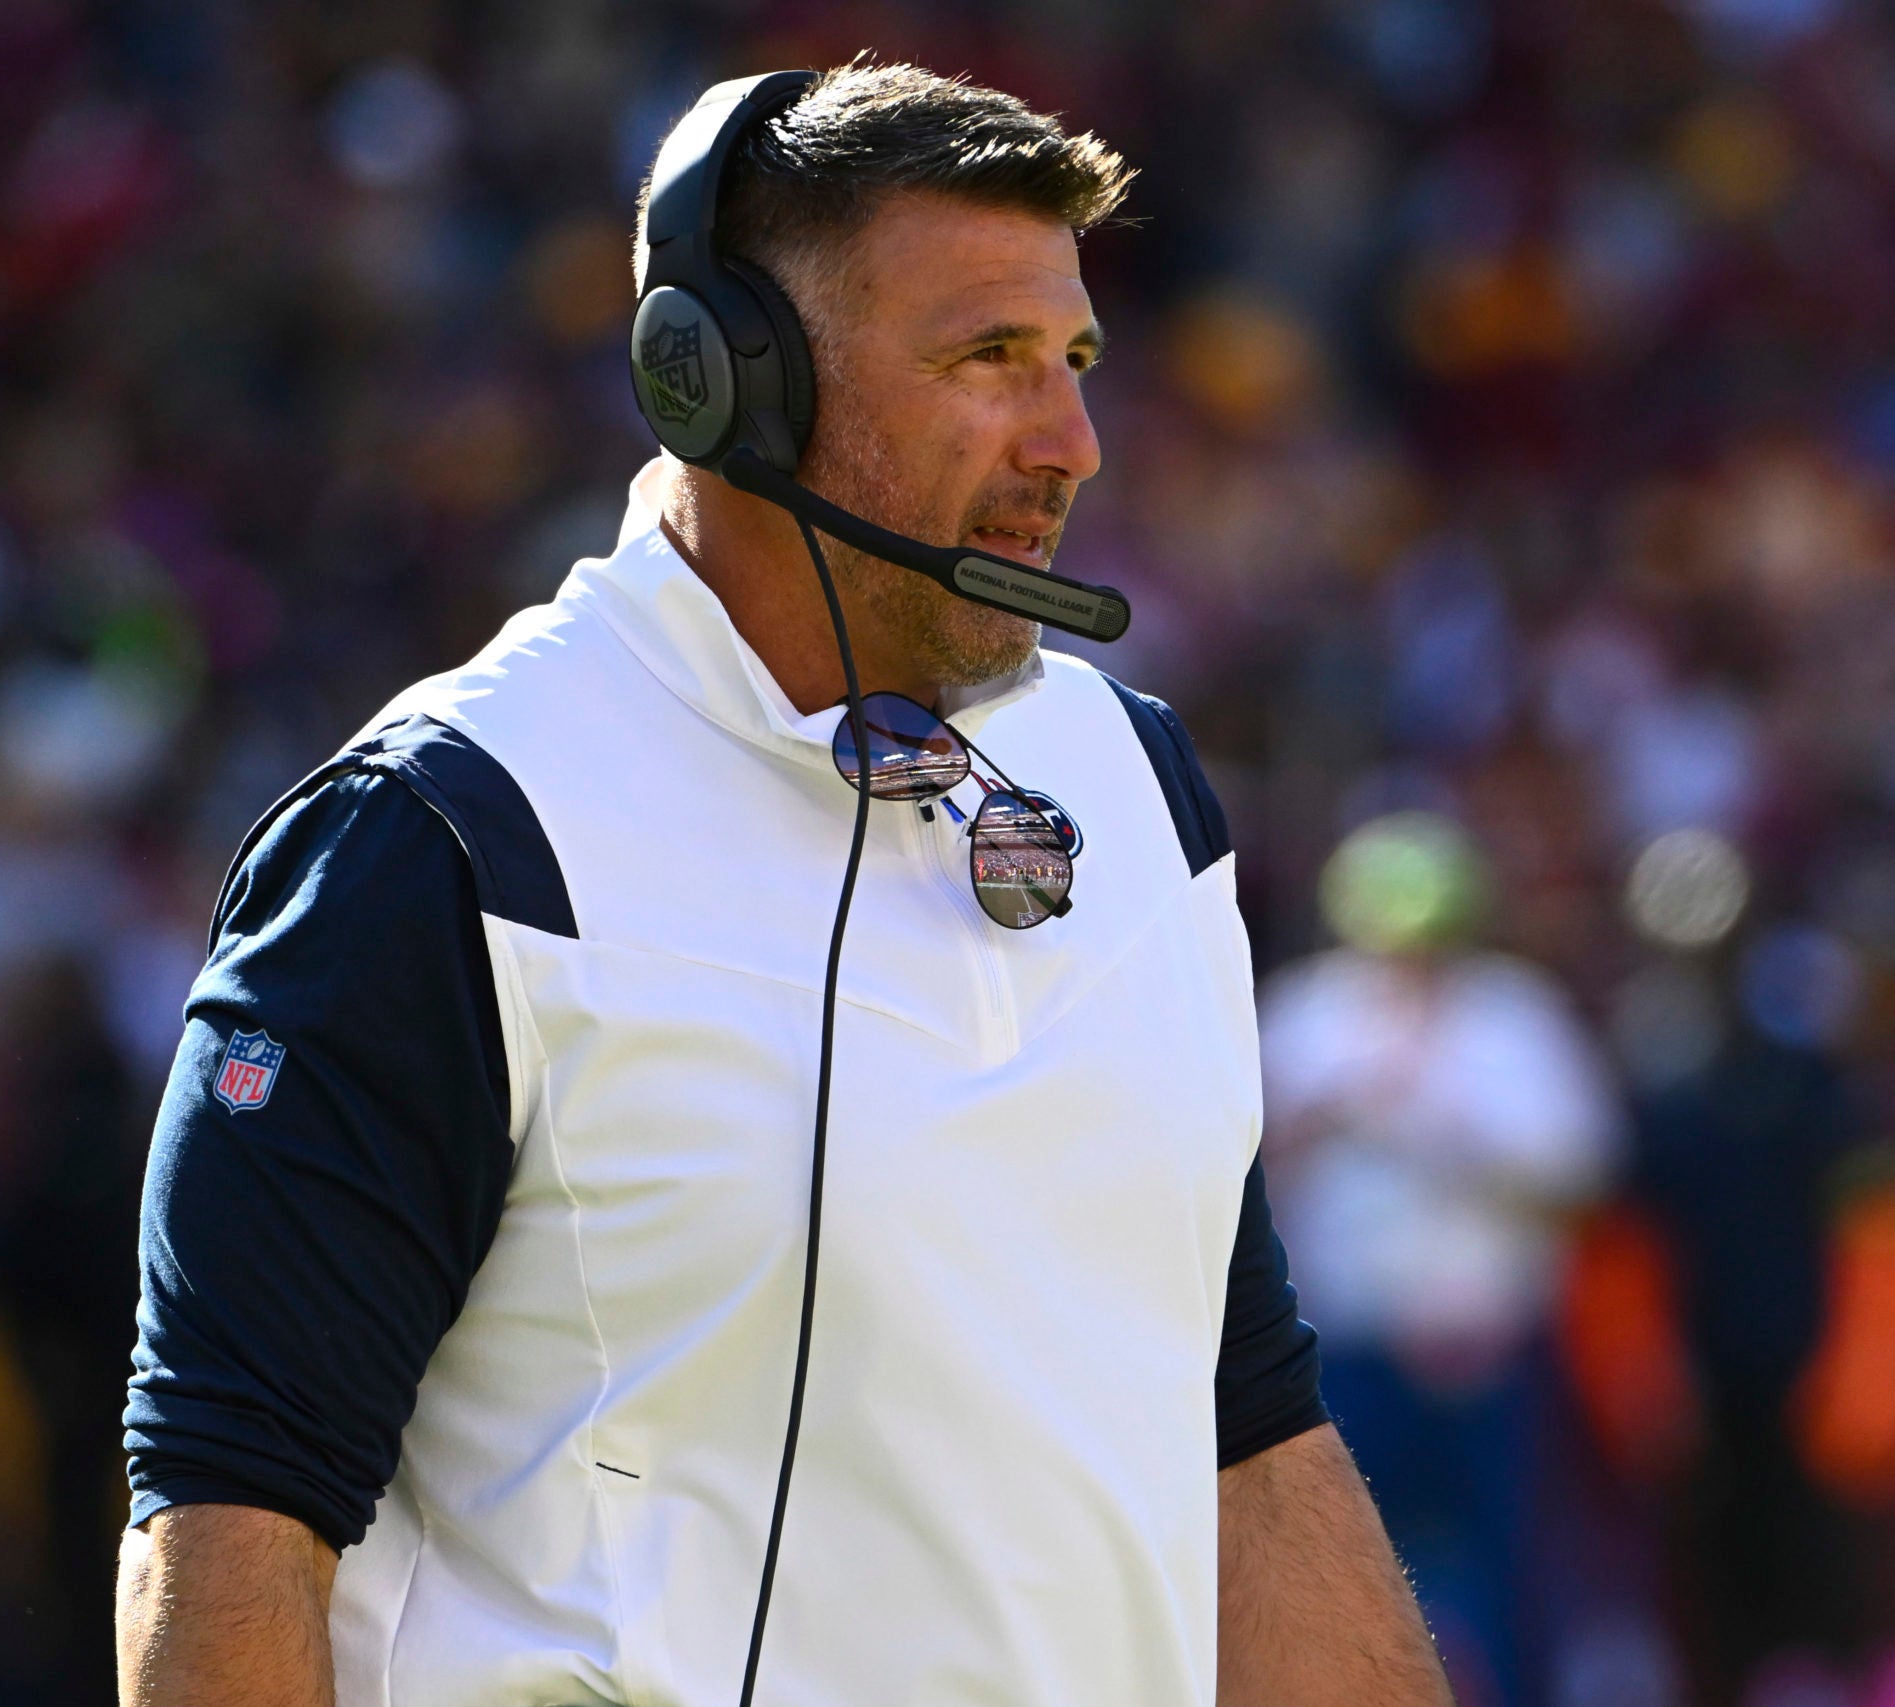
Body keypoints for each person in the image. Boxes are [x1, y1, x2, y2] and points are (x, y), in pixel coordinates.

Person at [114, 62, 1450, 1707]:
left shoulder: (1140, 788)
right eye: (988, 359)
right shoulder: (440, 842)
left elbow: (1247, 1429)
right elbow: (229, 1521)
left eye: (1076, 360)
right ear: (724, 382)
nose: (1073, 444)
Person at [1258, 811, 1621, 1702]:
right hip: (1341, 1353)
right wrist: (1316, 1125)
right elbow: (1239, 1175)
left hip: (1487, 1354)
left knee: (1508, 1574)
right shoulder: (1304, 1017)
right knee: (1341, 1570)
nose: (1410, 965)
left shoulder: (1514, 1018)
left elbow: (1582, 1178)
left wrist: (1453, 1139)